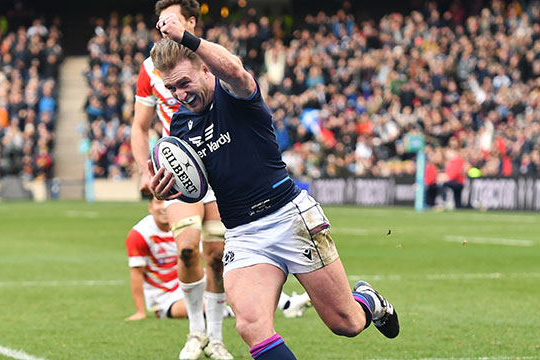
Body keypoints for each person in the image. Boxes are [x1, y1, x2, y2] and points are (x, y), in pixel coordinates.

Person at [148, 17, 399, 359]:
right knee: (250, 325)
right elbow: (192, 180)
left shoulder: (232, 93)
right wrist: (167, 188)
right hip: (242, 233)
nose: (180, 94)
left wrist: (189, 38)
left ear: (206, 69)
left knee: (347, 323)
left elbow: (235, 70)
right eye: (171, 88)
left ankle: (369, 301)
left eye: (184, 83)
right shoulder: (179, 123)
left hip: (288, 217)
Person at [129, 1, 232, 359]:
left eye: (171, 19)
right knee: (187, 247)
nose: (163, 26)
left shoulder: (211, 58)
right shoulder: (149, 69)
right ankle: (195, 333)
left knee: (217, 255)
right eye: (160, 21)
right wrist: (145, 171)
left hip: (218, 162)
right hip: (179, 169)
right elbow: (139, 127)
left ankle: (216, 339)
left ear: (190, 22)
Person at [125, 197, 312, 321]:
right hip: (165, 297)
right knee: (208, 307)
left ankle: (287, 303)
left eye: (165, 203)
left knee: (237, 279)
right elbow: (136, 274)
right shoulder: (140, 234)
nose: (162, 208)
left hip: (192, 279)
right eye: (157, 203)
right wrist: (141, 311)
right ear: (150, 207)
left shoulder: (185, 226)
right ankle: (233, 313)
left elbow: (204, 255)